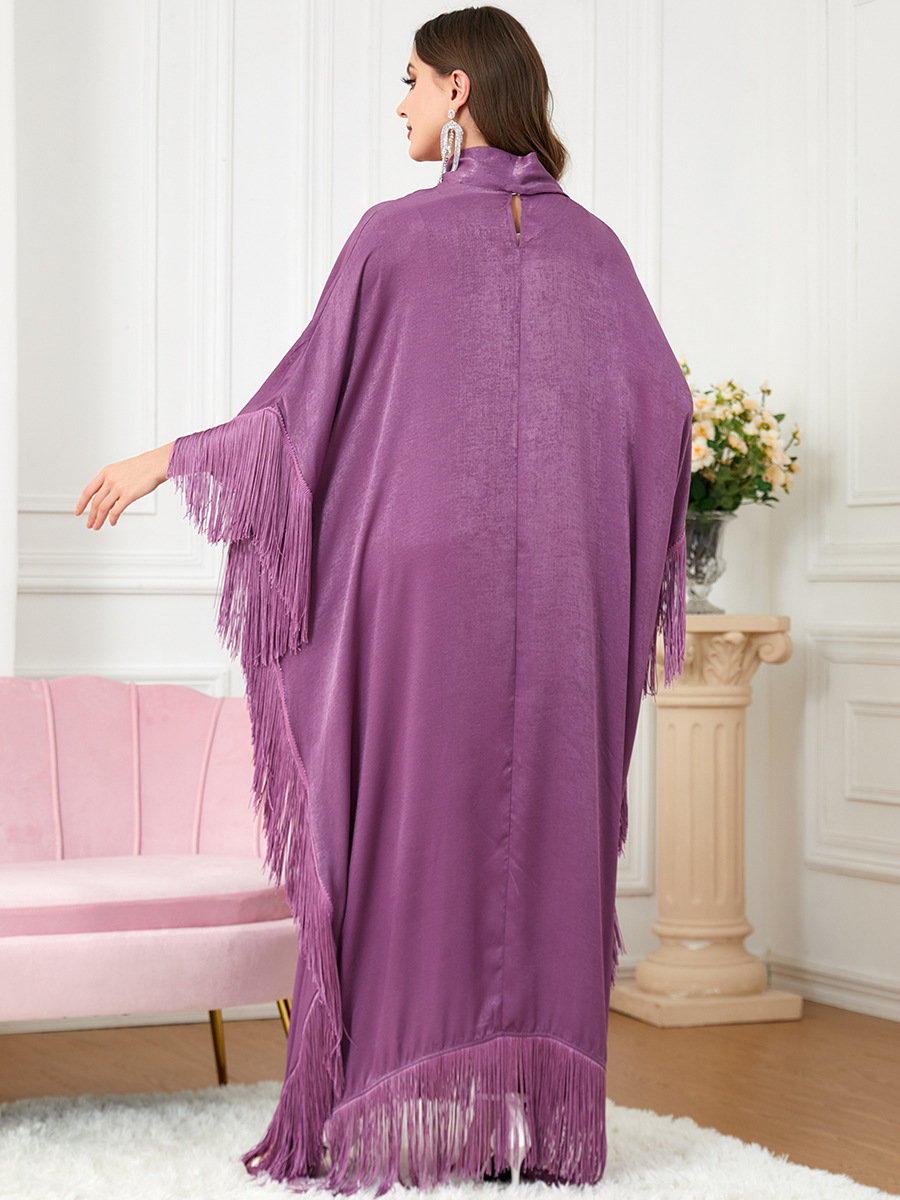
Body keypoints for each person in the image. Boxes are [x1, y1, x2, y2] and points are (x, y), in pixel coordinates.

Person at [75, 6, 692, 1194]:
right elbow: (663, 409)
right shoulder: (599, 252)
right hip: (563, 612)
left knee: (402, 830)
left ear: (460, 91)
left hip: (422, 606)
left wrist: (169, 460)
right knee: (546, 830)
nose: (398, 103)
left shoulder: (395, 238)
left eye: (410, 80)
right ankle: (533, 1113)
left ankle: (385, 1103)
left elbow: (298, 413)